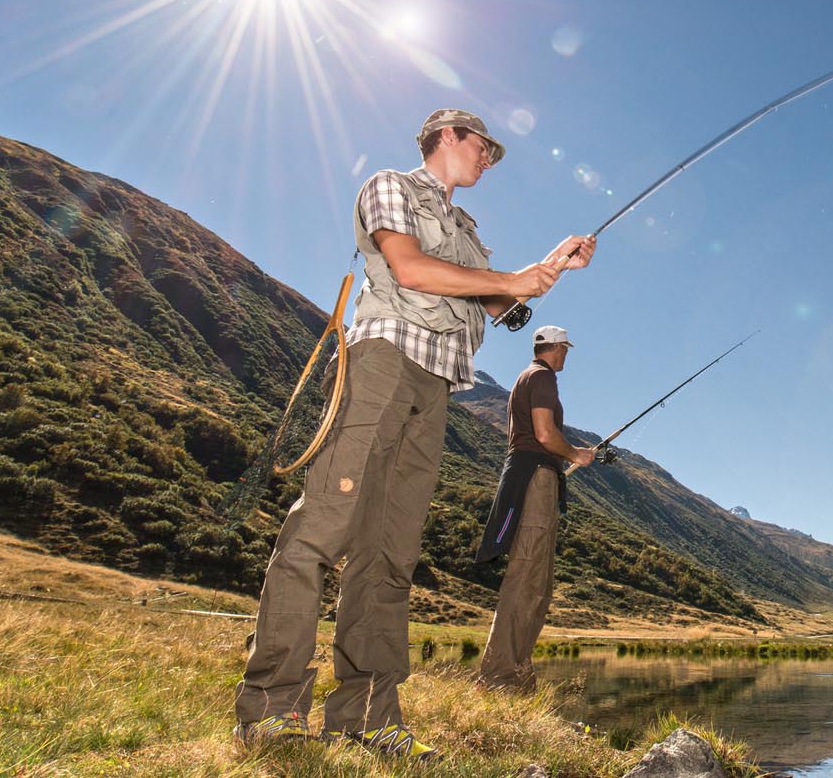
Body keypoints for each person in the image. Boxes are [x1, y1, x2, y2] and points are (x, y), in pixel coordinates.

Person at [234, 109, 596, 757]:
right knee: (321, 531)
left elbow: (499, 301)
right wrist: (509, 281)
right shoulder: (391, 186)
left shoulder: (466, 232)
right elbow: (408, 268)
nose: (489, 158)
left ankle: (369, 720)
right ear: (448, 137)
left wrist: (551, 266)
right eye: (484, 146)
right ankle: (269, 708)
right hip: (381, 363)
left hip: (434, 389)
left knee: (390, 557)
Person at [472, 325, 595, 690]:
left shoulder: (531, 377)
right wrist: (576, 454)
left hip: (538, 478)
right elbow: (544, 434)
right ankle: (498, 677)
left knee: (537, 585)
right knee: (526, 579)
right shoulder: (542, 377)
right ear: (555, 348)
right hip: (536, 481)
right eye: (565, 349)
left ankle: (518, 675)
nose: (567, 355)